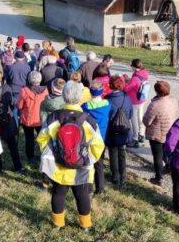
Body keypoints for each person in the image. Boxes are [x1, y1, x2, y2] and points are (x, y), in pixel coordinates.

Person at [37, 81, 105, 230]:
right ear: (81, 97)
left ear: (63, 95)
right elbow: (98, 144)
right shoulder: (87, 119)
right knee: (82, 195)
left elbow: (42, 138)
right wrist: (89, 159)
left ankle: (58, 223)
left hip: (58, 166)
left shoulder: (54, 117)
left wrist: (51, 154)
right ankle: (85, 225)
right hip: (81, 165)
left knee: (58, 194)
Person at [142, 81, 179, 186]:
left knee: (158, 156)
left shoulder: (155, 104)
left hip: (157, 134)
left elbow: (146, 121)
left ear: (156, 91)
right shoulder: (173, 100)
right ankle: (168, 167)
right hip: (171, 132)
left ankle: (158, 178)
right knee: (167, 153)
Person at [81, 79, 111, 195]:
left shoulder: (86, 106)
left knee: (87, 163)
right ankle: (100, 189)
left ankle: (88, 187)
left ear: (90, 92)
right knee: (99, 163)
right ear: (102, 91)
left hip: (88, 137)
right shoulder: (107, 105)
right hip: (101, 138)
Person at [105, 76, 133, 186]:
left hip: (111, 130)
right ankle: (123, 177)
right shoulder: (127, 97)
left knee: (113, 154)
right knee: (122, 154)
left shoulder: (107, 99)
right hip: (124, 129)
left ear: (110, 85)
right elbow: (130, 114)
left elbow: (106, 116)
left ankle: (115, 177)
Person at [17, 71, 48, 163]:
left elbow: (19, 106)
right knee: (42, 138)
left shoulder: (24, 91)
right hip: (41, 118)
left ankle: (30, 157)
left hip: (28, 119)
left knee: (29, 138)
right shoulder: (45, 90)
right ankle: (44, 154)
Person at [124, 59, 149, 146]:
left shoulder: (135, 78)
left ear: (134, 67)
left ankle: (135, 138)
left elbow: (126, 88)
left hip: (134, 101)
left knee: (134, 119)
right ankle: (141, 134)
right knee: (140, 116)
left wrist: (124, 81)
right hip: (142, 99)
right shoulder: (144, 73)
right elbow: (136, 83)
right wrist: (129, 79)